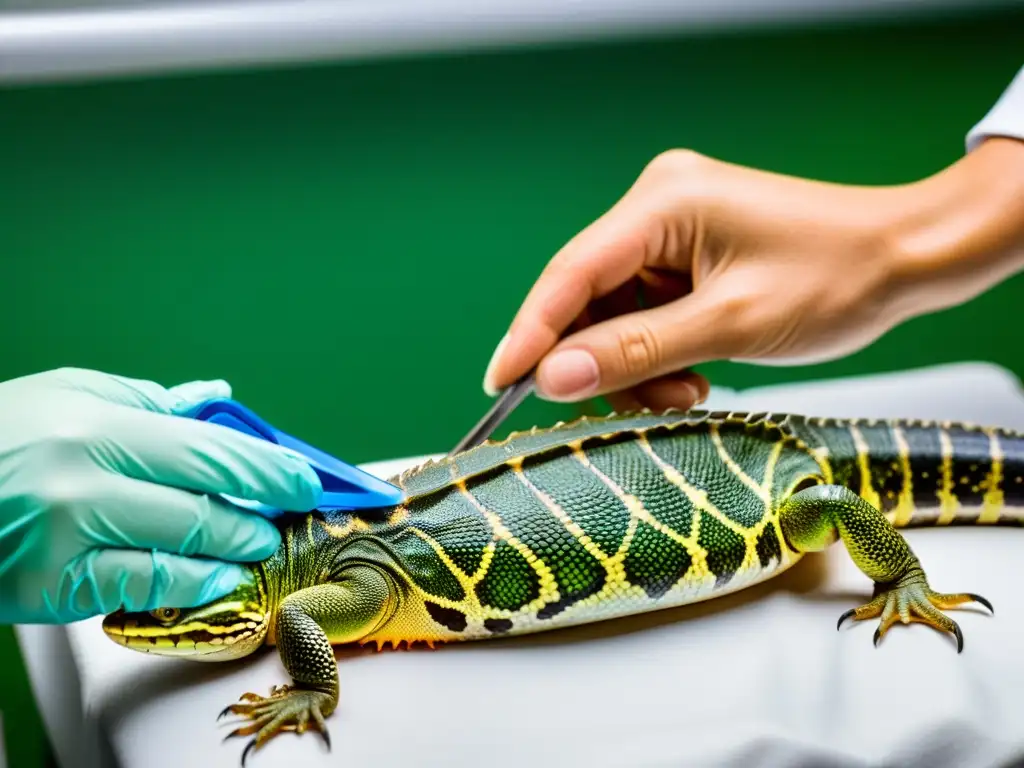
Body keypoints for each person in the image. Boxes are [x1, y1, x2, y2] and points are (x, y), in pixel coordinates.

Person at [1, 66, 1021, 628]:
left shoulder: (325, 597)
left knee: (823, 509)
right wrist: (910, 240)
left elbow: (834, 508)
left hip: (787, 479)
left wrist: (907, 242)